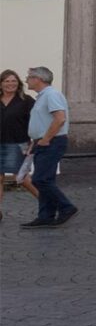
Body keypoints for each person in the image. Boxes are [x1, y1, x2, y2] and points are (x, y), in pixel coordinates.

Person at [24, 68, 74, 227]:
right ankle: (46, 215)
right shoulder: (43, 96)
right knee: (46, 178)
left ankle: (66, 206)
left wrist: (45, 139)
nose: (26, 80)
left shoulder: (51, 95)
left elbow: (60, 118)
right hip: (42, 141)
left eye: (29, 77)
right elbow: (43, 121)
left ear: (38, 78)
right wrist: (36, 141)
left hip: (52, 141)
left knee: (41, 179)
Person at [0, 70, 30, 223]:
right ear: (1, 84)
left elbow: (37, 120)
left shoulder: (26, 100)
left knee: (22, 178)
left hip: (18, 142)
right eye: (6, 81)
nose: (10, 84)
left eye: (13, 81)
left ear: (18, 83)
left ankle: (49, 204)